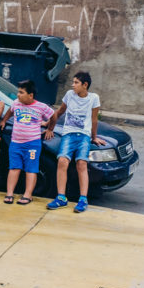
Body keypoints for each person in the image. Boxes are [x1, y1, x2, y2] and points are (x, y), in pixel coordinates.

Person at [44, 71, 105, 213]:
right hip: (68, 135)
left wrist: (93, 137)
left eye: (76, 82)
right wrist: (48, 125)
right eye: (73, 82)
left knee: (82, 163)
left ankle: (83, 199)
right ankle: (61, 198)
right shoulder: (69, 95)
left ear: (85, 85)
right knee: (62, 161)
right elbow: (59, 112)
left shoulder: (93, 98)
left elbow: (94, 119)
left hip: (83, 136)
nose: (73, 85)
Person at [0, 80, 55, 205]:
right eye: (18, 92)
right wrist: (3, 121)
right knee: (14, 168)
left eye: (21, 92)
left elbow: (53, 115)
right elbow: (10, 111)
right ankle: (9, 193)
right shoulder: (16, 103)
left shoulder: (41, 107)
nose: (18, 95)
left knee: (31, 169)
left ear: (31, 95)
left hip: (32, 144)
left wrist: (50, 128)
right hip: (16, 143)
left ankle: (28, 195)